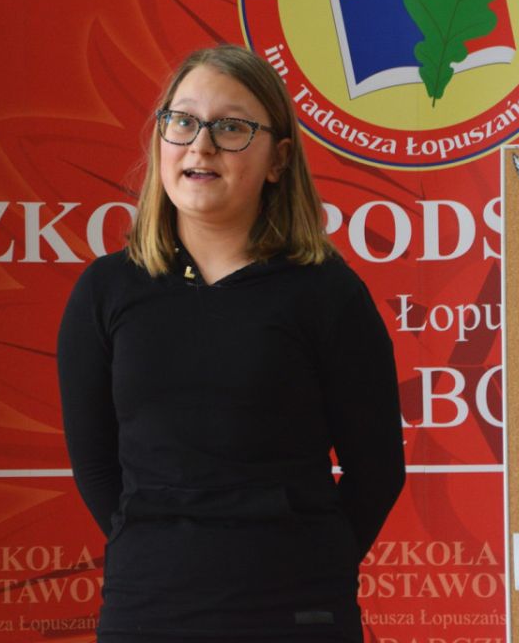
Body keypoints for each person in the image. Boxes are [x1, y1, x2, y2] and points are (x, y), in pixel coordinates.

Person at [57, 44, 405, 643]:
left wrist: (307, 567)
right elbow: (95, 466)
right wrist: (164, 557)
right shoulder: (105, 291)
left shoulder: (327, 292)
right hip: (148, 613)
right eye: (182, 121)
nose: (201, 145)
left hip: (297, 613)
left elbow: (377, 470)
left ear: (279, 159)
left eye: (232, 128)